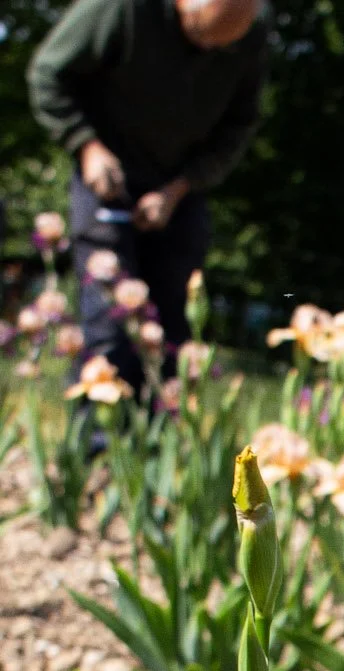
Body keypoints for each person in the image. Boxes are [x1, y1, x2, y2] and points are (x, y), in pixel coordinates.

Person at [28, 0, 267, 386]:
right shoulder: (121, 8)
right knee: (109, 326)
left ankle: (156, 439)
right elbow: (48, 74)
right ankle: (98, 442)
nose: (207, 52)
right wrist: (86, 145)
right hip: (107, 173)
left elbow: (240, 124)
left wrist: (180, 188)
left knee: (172, 330)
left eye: (223, 46)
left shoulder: (250, 30)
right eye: (199, 36)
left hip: (181, 185)